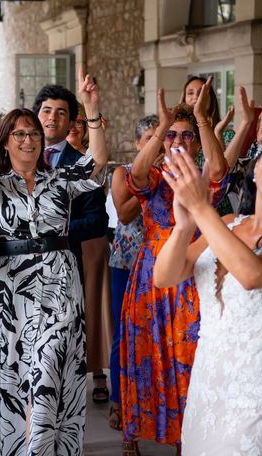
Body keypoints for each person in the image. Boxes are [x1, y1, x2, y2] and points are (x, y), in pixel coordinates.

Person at [154, 119, 262, 455]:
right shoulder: (228, 223)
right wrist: (184, 225)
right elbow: (165, 276)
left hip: (260, 394)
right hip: (208, 383)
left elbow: (253, 274)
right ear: (256, 164)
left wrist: (201, 206)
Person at [0, 68, 108, 454]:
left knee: (47, 370)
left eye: (34, 134)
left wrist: (91, 110)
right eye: (20, 134)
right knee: (14, 376)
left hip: (60, 283)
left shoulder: (60, 180)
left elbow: (97, 164)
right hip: (9, 291)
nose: (28, 140)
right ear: (6, 142)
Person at [120, 77, 229, 455]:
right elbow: (134, 174)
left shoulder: (204, 179)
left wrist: (200, 119)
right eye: (172, 136)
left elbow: (219, 167)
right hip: (151, 271)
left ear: (196, 142)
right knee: (144, 349)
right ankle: (132, 434)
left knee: (189, 355)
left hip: (193, 270)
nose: (179, 142)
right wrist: (163, 128)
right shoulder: (154, 176)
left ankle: (187, 436)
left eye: (186, 136)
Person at [33, 83, 110, 401]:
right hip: (20, 272)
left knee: (62, 353)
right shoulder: (15, 158)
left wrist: (57, 231)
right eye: (47, 110)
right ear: (36, 115)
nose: (52, 118)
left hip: (65, 270)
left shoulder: (83, 164)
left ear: (71, 122)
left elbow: (97, 220)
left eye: (61, 112)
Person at [107, 114, 158, 430]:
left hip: (163, 263)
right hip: (126, 262)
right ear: (138, 144)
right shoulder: (122, 173)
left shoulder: (175, 173)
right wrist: (150, 182)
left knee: (158, 333)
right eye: (150, 140)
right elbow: (124, 214)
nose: (157, 146)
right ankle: (118, 402)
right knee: (123, 335)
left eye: (160, 140)